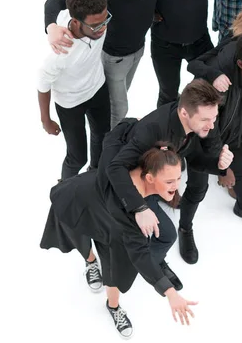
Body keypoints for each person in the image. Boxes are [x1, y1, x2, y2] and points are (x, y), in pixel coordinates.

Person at [41, 134, 197, 338]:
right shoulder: (132, 217)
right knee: (83, 242)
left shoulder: (138, 167)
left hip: (107, 219)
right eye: (169, 181)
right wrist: (170, 293)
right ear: (149, 178)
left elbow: (118, 135)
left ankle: (113, 307)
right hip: (78, 203)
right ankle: (90, 262)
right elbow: (140, 254)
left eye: (178, 178)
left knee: (113, 269)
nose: (176, 186)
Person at [104, 79, 234, 252]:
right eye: (205, 119)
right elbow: (115, 168)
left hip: (155, 170)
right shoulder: (153, 130)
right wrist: (140, 208)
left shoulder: (192, 124)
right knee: (167, 236)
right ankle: (147, 266)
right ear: (184, 113)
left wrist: (220, 165)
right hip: (133, 181)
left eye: (214, 118)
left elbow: (194, 157)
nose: (211, 126)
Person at [182, 30, 242, 263]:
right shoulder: (216, 81)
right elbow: (206, 129)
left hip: (235, 134)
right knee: (197, 189)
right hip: (202, 143)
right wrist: (220, 166)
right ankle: (184, 228)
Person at [44, 0, 156, 129]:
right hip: (114, 59)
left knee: (116, 103)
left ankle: (106, 137)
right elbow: (54, 1)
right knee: (119, 108)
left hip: (138, 51)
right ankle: (109, 147)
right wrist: (51, 27)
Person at [38, 0, 111, 179]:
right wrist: (46, 120)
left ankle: (95, 176)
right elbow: (42, 83)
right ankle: (64, 191)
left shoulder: (98, 19)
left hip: (97, 88)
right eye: (96, 25)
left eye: (105, 20)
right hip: (70, 103)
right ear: (76, 23)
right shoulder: (60, 52)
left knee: (102, 137)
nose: (103, 28)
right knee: (77, 157)